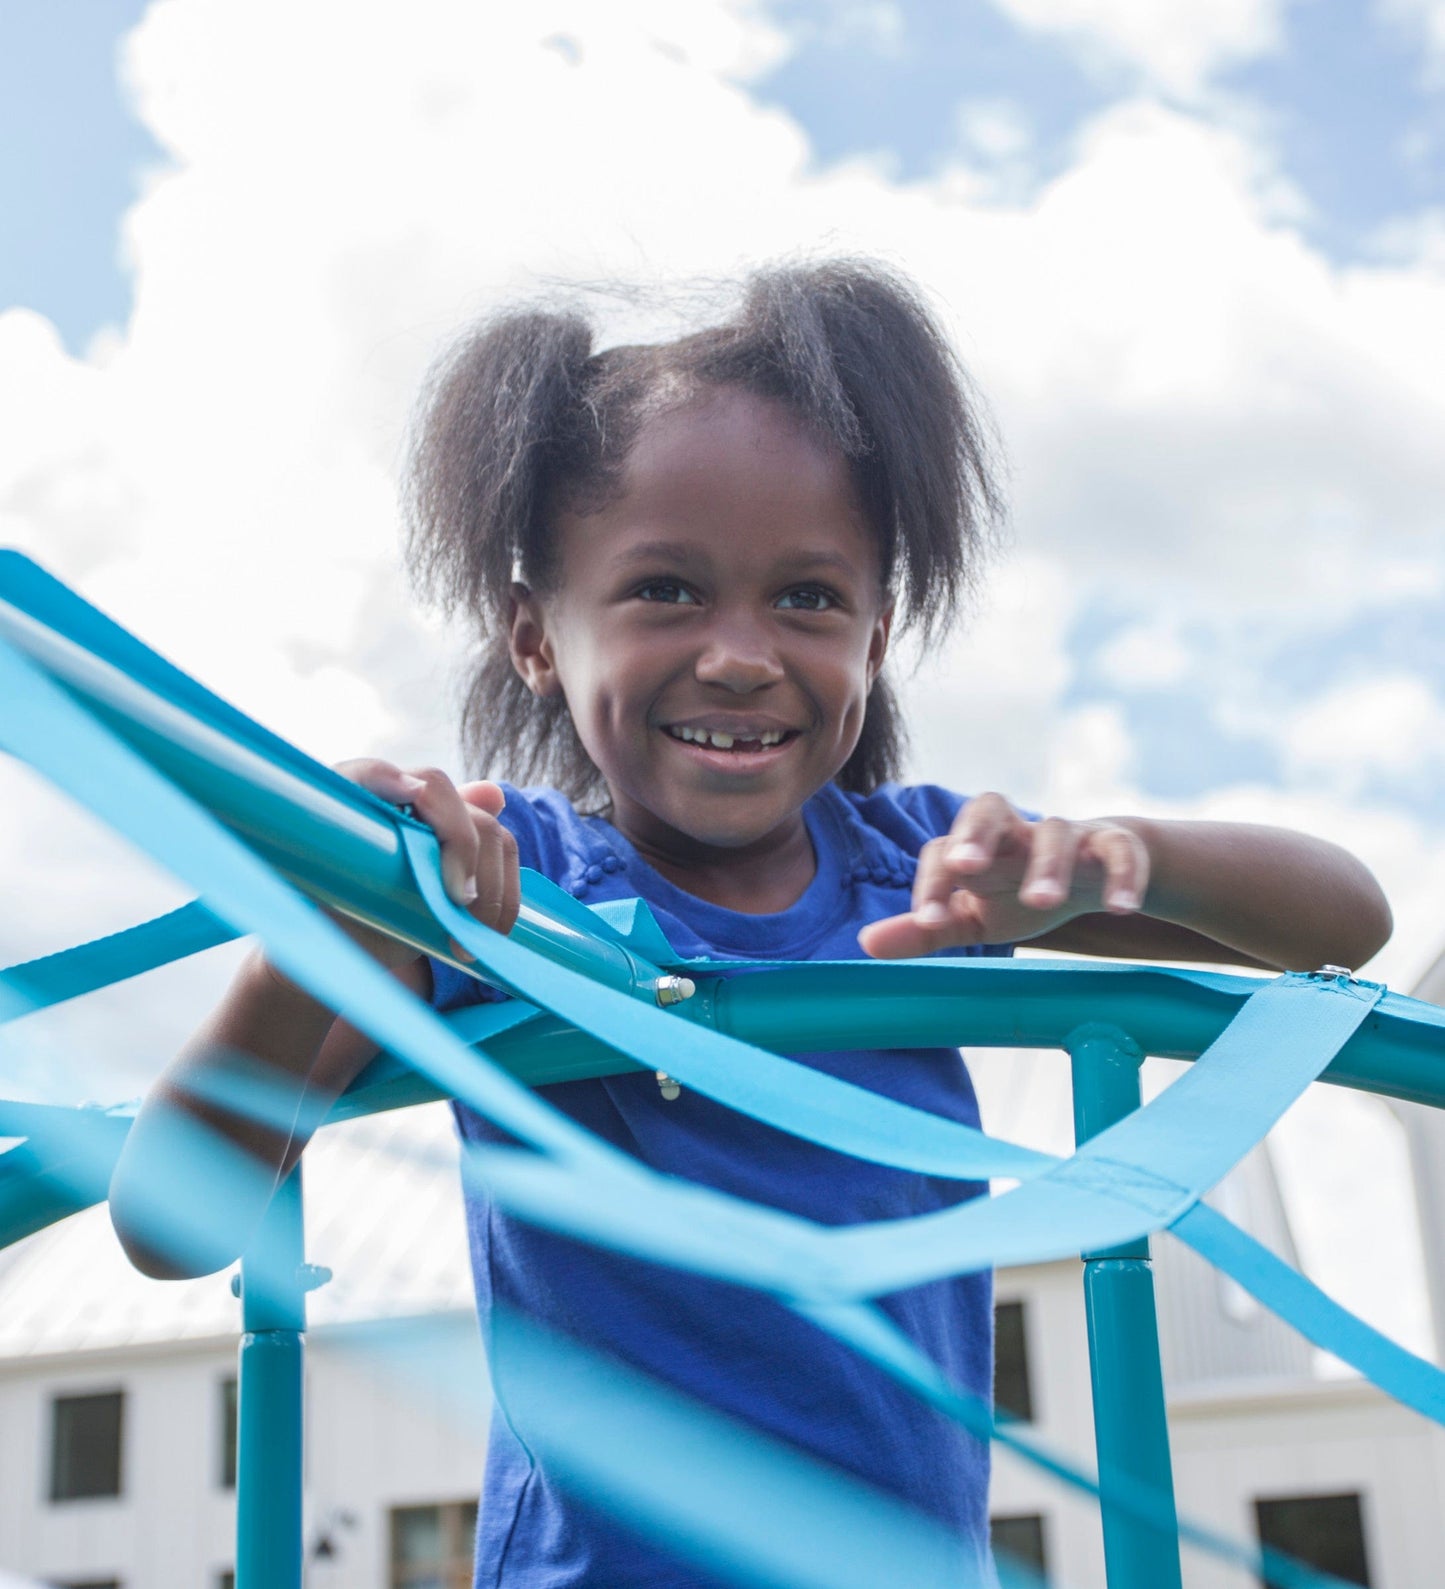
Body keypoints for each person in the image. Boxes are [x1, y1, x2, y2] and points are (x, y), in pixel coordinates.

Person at [110, 260, 1392, 1586]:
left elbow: (1341, 921)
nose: (741, 651)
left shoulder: (925, 865)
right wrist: (322, 926)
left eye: (807, 598)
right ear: (534, 635)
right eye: (665, 588)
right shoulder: (493, 889)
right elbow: (171, 1222)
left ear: (878, 635)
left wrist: (1103, 864)